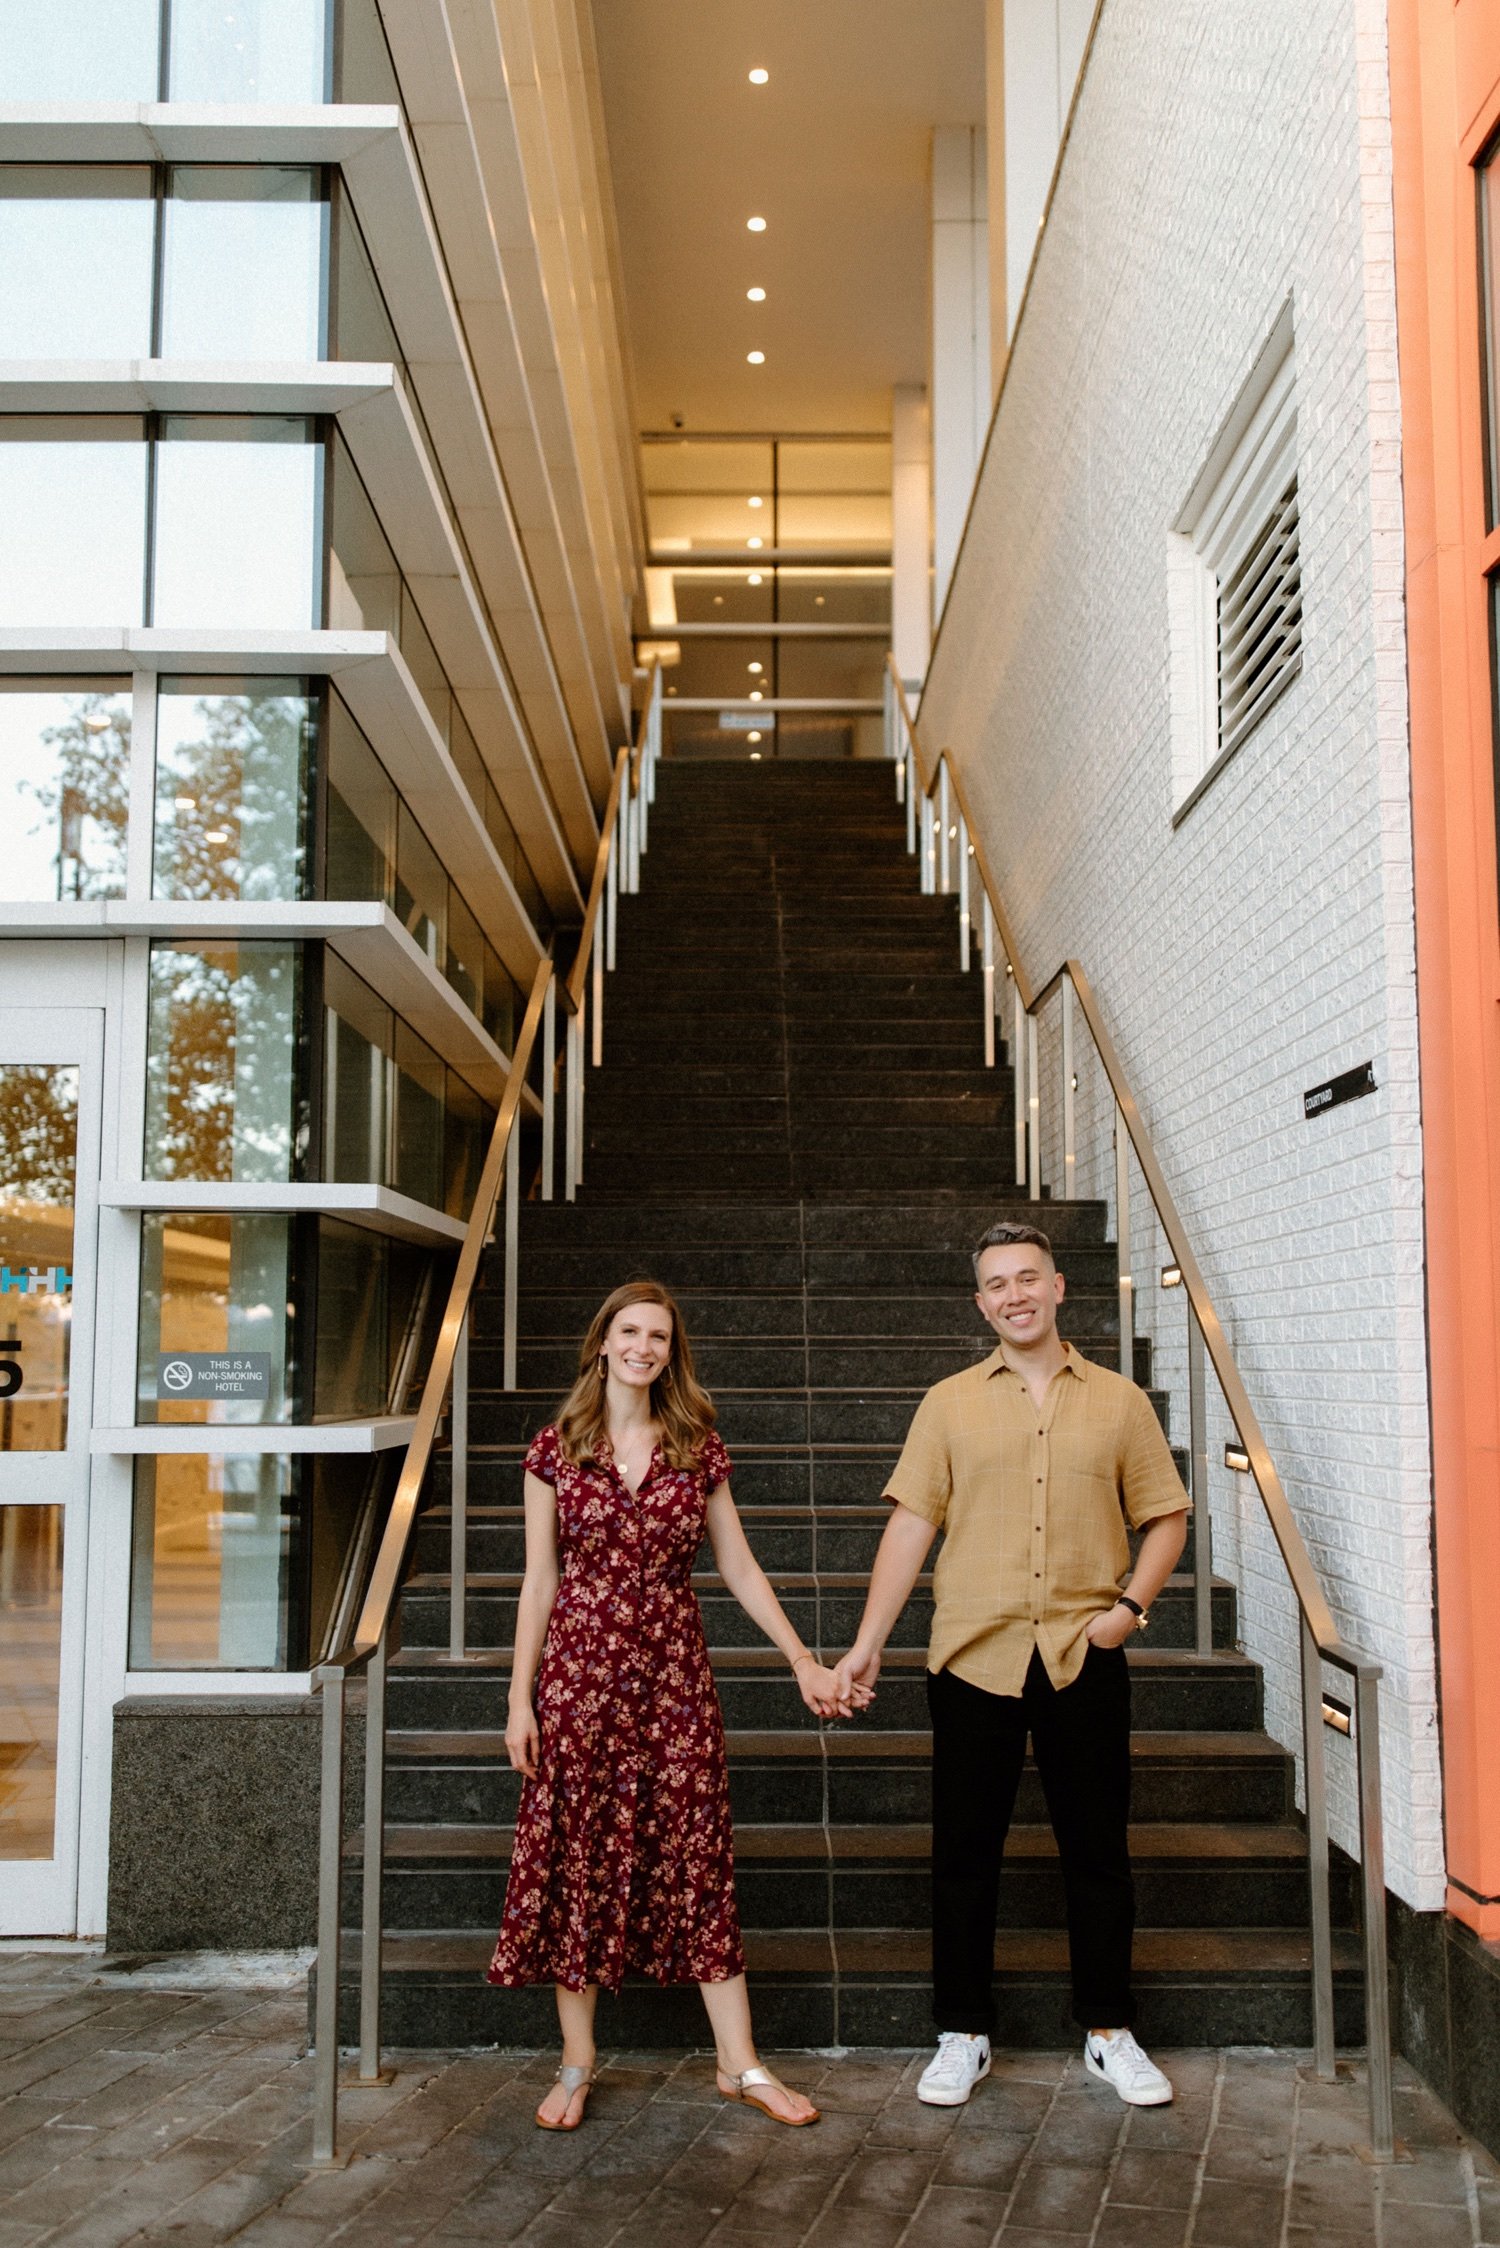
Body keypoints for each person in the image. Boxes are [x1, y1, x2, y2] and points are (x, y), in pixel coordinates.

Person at [830, 1220, 1191, 2110]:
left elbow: (1165, 1516)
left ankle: (1110, 2030)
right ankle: (963, 2032)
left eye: (1028, 1278)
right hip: (972, 1657)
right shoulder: (949, 1403)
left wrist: (1128, 1613)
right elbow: (911, 1525)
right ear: (981, 1302)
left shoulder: (1119, 1401)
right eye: (997, 1284)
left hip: (1083, 1653)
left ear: (1060, 1287)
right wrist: (869, 1640)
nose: (1014, 1295)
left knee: (1098, 1853)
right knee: (964, 1855)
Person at [489, 1278, 863, 2129]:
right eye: (629, 1330)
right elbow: (538, 1581)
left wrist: (801, 1657)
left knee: (697, 1854)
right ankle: (577, 2063)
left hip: (673, 1682)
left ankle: (742, 2064)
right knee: (576, 1855)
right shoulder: (556, 1449)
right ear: (602, 1342)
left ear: (670, 1351)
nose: (643, 1346)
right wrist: (520, 1700)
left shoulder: (695, 1443)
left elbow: (736, 1564)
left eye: (658, 1335)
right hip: (578, 1683)